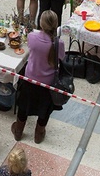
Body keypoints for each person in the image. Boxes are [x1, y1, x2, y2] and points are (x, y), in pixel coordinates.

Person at [11, 10, 64, 144]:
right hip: (48, 83)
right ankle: (39, 134)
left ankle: (18, 131)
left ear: (41, 23)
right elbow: (61, 58)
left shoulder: (32, 37)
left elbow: (29, 48)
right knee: (44, 109)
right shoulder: (59, 43)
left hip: (30, 79)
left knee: (24, 105)